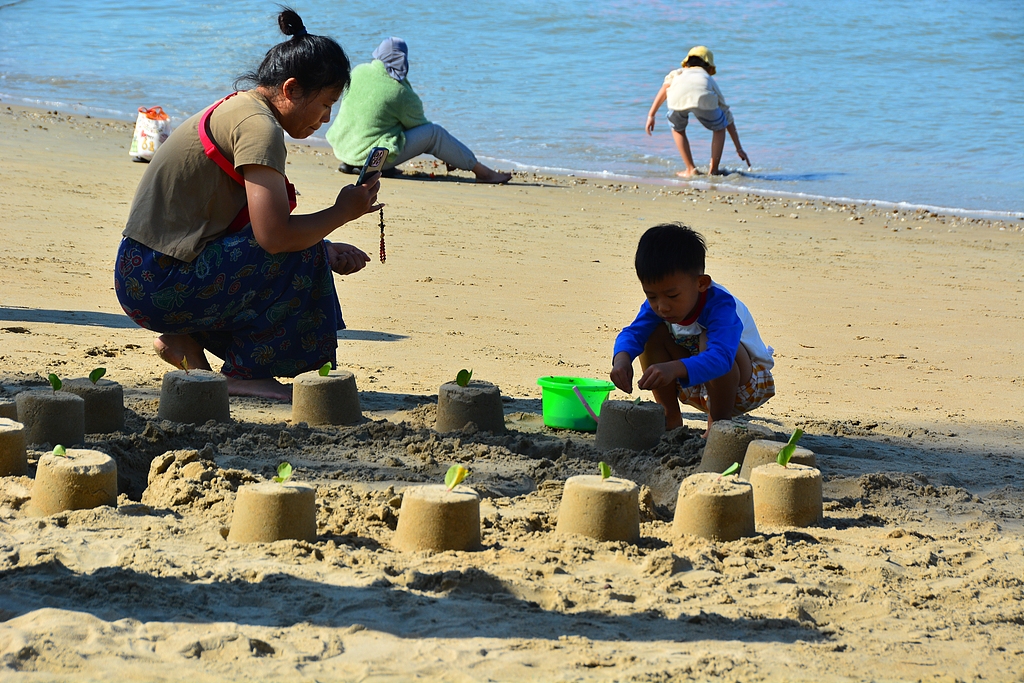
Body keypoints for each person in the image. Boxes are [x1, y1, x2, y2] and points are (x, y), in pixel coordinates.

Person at [115, 8, 380, 401]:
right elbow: (273, 237)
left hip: (145, 275)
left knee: (308, 250)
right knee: (300, 254)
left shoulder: (243, 108)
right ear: (290, 89)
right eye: (325, 104)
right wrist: (343, 211)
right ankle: (246, 373)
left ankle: (185, 347)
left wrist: (324, 246)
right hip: (159, 280)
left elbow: (239, 230)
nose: (326, 118)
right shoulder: (260, 127)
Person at [610, 224, 774, 434]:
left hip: (744, 386)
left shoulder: (721, 306)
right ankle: (670, 416)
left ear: (701, 284)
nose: (662, 306)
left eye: (672, 296)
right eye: (651, 296)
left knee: (708, 339)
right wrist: (622, 360)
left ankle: (718, 424)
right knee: (650, 333)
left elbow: (721, 358)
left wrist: (674, 368)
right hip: (693, 381)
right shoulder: (660, 305)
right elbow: (633, 332)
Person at [325, 37, 511, 184]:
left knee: (385, 121)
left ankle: (353, 165)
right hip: (372, 158)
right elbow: (422, 129)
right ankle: (482, 172)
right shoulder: (399, 90)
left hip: (343, 149)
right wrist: (450, 153)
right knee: (435, 134)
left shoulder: (358, 71)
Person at [645, 46, 750, 177]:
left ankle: (690, 169)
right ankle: (714, 170)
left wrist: (651, 115)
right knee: (720, 128)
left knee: (677, 129)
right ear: (710, 68)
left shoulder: (677, 73)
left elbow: (664, 90)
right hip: (704, 98)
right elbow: (726, 113)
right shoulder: (707, 78)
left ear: (686, 64)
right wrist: (738, 148)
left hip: (677, 98)